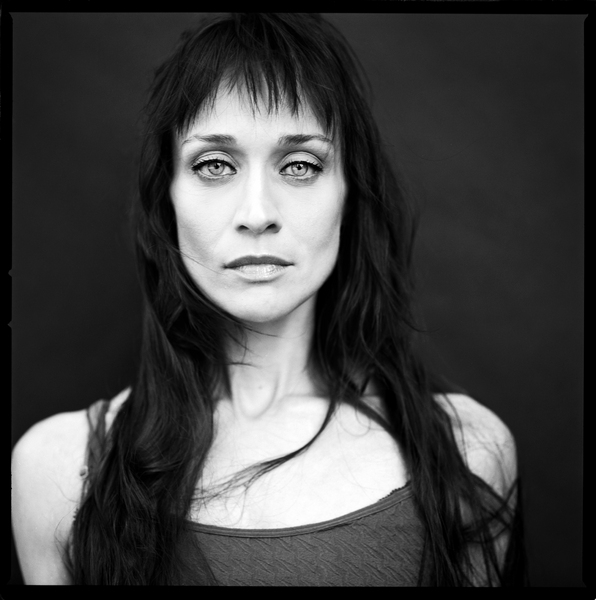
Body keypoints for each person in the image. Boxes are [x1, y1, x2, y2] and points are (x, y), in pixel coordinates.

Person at [11, 13, 526, 586]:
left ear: (349, 195)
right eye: (214, 165)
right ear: (167, 200)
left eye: (300, 165)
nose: (257, 214)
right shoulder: (59, 470)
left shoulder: (468, 452)